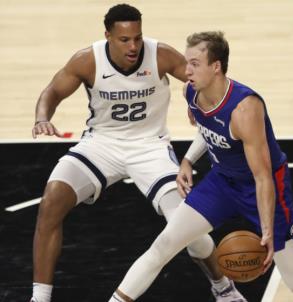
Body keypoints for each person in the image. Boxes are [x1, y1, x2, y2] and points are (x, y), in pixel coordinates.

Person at [109, 31, 293, 302]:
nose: (186, 70)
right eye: (187, 62)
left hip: (263, 187)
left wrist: (266, 230)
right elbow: (206, 127)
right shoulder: (192, 91)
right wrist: (188, 159)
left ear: (216, 67)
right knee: (163, 245)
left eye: (195, 63)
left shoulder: (245, 109)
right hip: (223, 181)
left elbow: (263, 176)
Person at [30, 5, 246, 302]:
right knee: (51, 200)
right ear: (107, 36)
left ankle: (224, 288)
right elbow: (52, 92)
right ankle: (39, 298)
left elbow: (205, 80)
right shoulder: (87, 60)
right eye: (124, 40)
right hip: (101, 145)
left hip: (150, 147)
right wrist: (43, 117)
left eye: (138, 38)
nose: (133, 46)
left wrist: (194, 99)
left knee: (189, 227)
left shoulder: (160, 55)